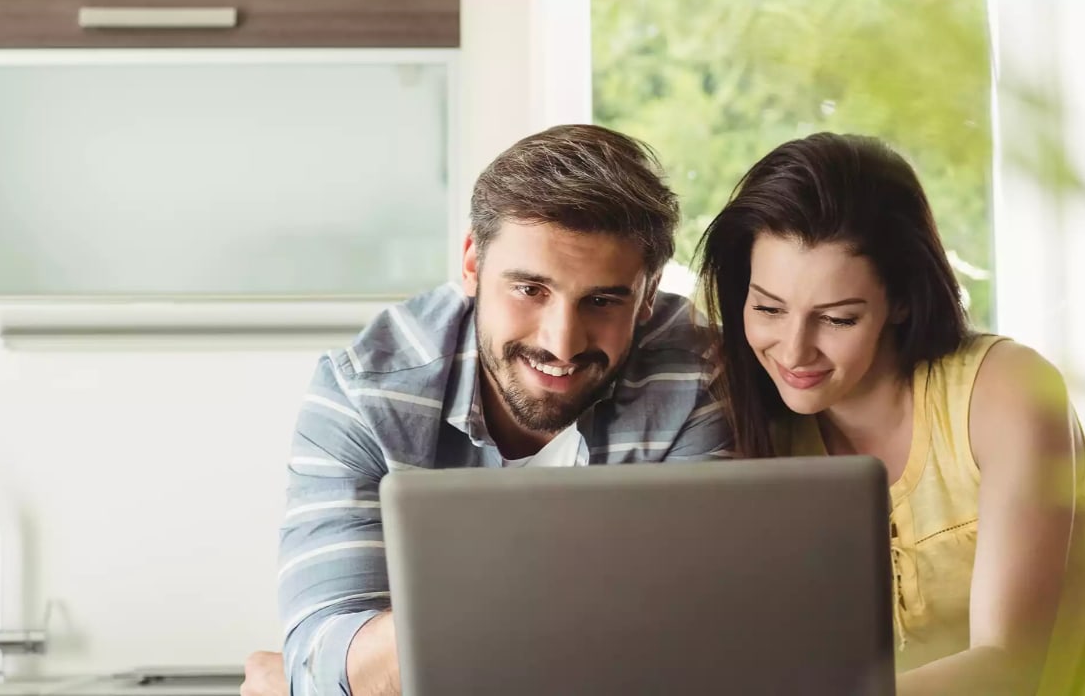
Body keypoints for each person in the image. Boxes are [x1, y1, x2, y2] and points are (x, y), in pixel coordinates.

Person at [241, 124, 734, 696]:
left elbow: (696, 647)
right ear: (473, 263)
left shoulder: (694, 373)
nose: (562, 342)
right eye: (530, 289)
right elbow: (330, 659)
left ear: (647, 296)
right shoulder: (363, 392)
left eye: (602, 300)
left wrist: (404, 652)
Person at [696, 133, 1085, 695]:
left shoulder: (1008, 391)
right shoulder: (756, 429)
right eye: (768, 309)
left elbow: (1009, 664)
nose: (794, 351)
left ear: (900, 299)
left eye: (838, 319)